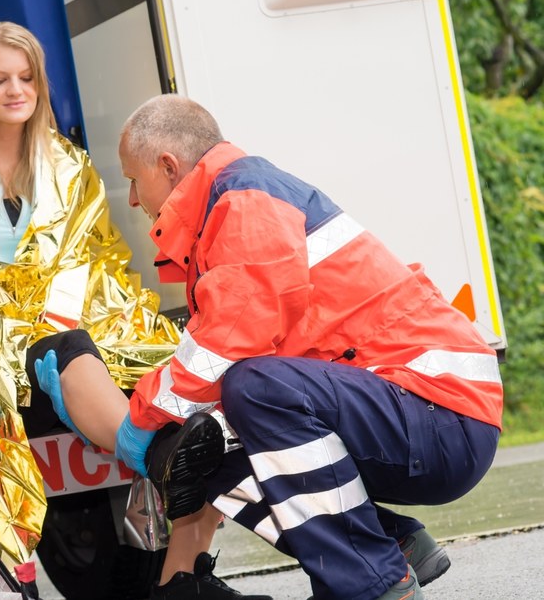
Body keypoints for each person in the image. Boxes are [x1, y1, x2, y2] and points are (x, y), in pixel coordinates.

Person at [47, 93, 502, 600]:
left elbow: (228, 341)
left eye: (133, 179)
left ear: (168, 166)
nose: (132, 198)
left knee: (250, 388)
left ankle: (371, 585)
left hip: (444, 413)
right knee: (208, 444)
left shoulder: (245, 199)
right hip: (419, 413)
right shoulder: (232, 206)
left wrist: (140, 423)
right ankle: (390, 546)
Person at [0, 22, 261, 599]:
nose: (15, 90)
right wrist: (19, 330)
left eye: (26, 77)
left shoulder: (69, 166)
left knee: (196, 366)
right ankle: (152, 455)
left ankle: (182, 577)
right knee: (70, 351)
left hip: (67, 329)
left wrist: (54, 320)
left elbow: (93, 262)